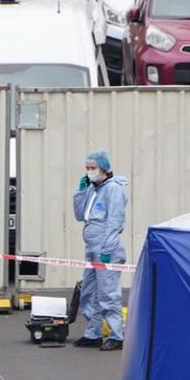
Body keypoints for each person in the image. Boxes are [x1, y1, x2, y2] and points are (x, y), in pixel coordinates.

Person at [72, 150, 128, 351]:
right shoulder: (92, 189)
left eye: (93, 168)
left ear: (104, 168)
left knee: (108, 294)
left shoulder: (113, 189)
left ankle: (117, 335)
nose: (89, 172)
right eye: (87, 168)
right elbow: (80, 215)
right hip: (92, 249)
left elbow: (115, 221)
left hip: (107, 249)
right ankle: (92, 333)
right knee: (89, 293)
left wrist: (108, 247)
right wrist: (80, 192)